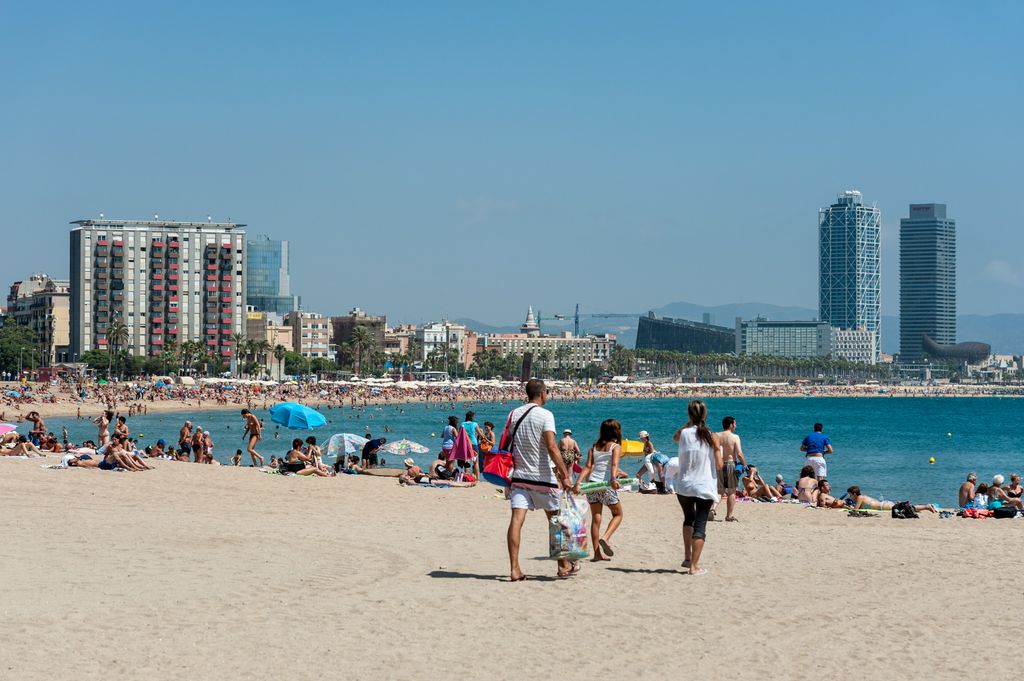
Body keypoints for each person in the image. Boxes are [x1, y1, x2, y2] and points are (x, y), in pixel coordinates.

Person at [504, 379, 574, 582]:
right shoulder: (546, 415)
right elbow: (552, 447)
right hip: (543, 478)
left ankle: (514, 569)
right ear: (542, 393)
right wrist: (565, 475)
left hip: (519, 477)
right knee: (555, 522)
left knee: (516, 521)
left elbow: (508, 443)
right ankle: (562, 566)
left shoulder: (513, 414)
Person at [672, 400, 722, 576]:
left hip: (684, 485)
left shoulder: (684, 433)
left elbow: (675, 437)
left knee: (688, 519)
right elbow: (720, 464)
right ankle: (694, 567)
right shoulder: (712, 436)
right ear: (705, 415)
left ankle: (687, 557)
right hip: (703, 486)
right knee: (700, 525)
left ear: (689, 415)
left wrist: (688, 424)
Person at [576, 419, 625, 562]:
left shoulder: (594, 447)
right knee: (618, 514)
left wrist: (578, 483)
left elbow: (588, 466)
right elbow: (614, 464)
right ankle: (606, 537)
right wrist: (614, 479)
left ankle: (597, 554)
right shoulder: (615, 446)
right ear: (616, 431)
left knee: (596, 519)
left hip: (591, 485)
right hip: (605, 485)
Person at [717, 416, 746, 521]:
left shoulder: (717, 436)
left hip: (719, 464)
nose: (735, 425)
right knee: (732, 491)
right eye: (734, 423)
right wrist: (745, 465)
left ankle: (713, 509)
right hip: (730, 464)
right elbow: (739, 454)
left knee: (719, 491)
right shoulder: (735, 437)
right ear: (730, 425)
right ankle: (729, 516)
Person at [846, 486, 937, 513]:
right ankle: (926, 507)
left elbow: (855, 510)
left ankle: (926, 506)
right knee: (906, 509)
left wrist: (846, 506)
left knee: (907, 508)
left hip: (884, 506)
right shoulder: (862, 496)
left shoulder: (860, 497)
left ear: (854, 494)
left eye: (850, 495)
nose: (850, 497)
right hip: (885, 504)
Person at [461, 411, 486, 479]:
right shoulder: (474, 424)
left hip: (465, 444)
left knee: (467, 461)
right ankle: (477, 478)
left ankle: (466, 477)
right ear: (472, 417)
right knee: (476, 462)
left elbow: (460, 435)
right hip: (474, 443)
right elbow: (481, 434)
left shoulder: (462, 424)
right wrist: (484, 437)